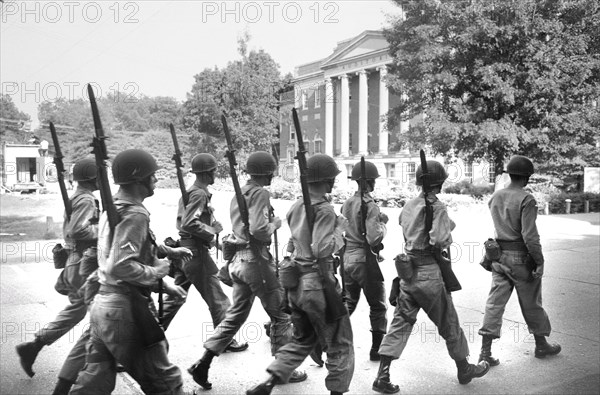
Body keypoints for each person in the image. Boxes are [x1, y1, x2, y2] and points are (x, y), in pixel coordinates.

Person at [70, 149, 192, 394]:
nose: (156, 181)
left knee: (93, 383)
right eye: (152, 176)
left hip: (104, 304)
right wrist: (158, 273)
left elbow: (125, 252)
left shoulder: (113, 208)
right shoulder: (135, 213)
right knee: (165, 382)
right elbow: (121, 265)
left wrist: (166, 276)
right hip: (125, 310)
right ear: (139, 180)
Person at [188, 151, 307, 390]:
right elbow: (260, 230)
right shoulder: (261, 193)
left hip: (239, 262)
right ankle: (286, 369)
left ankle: (204, 361)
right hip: (257, 261)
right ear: (268, 172)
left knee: (235, 316)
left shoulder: (240, 193)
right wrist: (276, 223)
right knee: (281, 314)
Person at [372, 160, 489, 394]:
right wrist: (443, 225)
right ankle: (464, 368)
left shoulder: (409, 205)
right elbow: (440, 240)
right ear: (440, 182)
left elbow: (407, 228)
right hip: (429, 272)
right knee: (449, 322)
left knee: (400, 323)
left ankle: (382, 375)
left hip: (408, 273)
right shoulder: (437, 207)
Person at [246, 153, 354, 395]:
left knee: (302, 340)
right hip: (319, 283)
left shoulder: (296, 207)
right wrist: (339, 230)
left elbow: (293, 243)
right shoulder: (325, 210)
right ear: (328, 181)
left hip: (297, 285)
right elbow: (321, 249)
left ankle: (268, 384)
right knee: (340, 343)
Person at [16, 157, 99, 381]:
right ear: (92, 176)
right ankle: (96, 360)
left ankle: (34, 345)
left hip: (76, 262)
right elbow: (79, 231)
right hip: (82, 263)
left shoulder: (80, 197)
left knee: (79, 310)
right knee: (102, 313)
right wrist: (106, 231)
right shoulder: (86, 200)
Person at [478, 155, 561, 366]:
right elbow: (530, 236)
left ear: (510, 174)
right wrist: (539, 261)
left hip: (498, 257)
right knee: (532, 302)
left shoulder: (496, 196)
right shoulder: (527, 199)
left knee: (494, 304)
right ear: (526, 178)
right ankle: (541, 344)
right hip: (521, 258)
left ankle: (485, 352)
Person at [161, 153, 247, 352]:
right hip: (196, 253)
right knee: (218, 298)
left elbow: (182, 222)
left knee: (176, 296)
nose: (216, 173)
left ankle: (151, 333)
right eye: (214, 170)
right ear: (208, 173)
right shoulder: (198, 194)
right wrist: (212, 231)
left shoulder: (192, 192)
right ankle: (225, 340)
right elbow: (189, 223)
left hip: (186, 250)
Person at [341, 160, 388, 361]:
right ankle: (377, 349)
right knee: (378, 306)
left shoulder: (347, 203)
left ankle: (328, 336)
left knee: (348, 303)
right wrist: (383, 224)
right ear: (369, 182)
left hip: (347, 257)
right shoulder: (370, 205)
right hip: (364, 259)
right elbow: (373, 237)